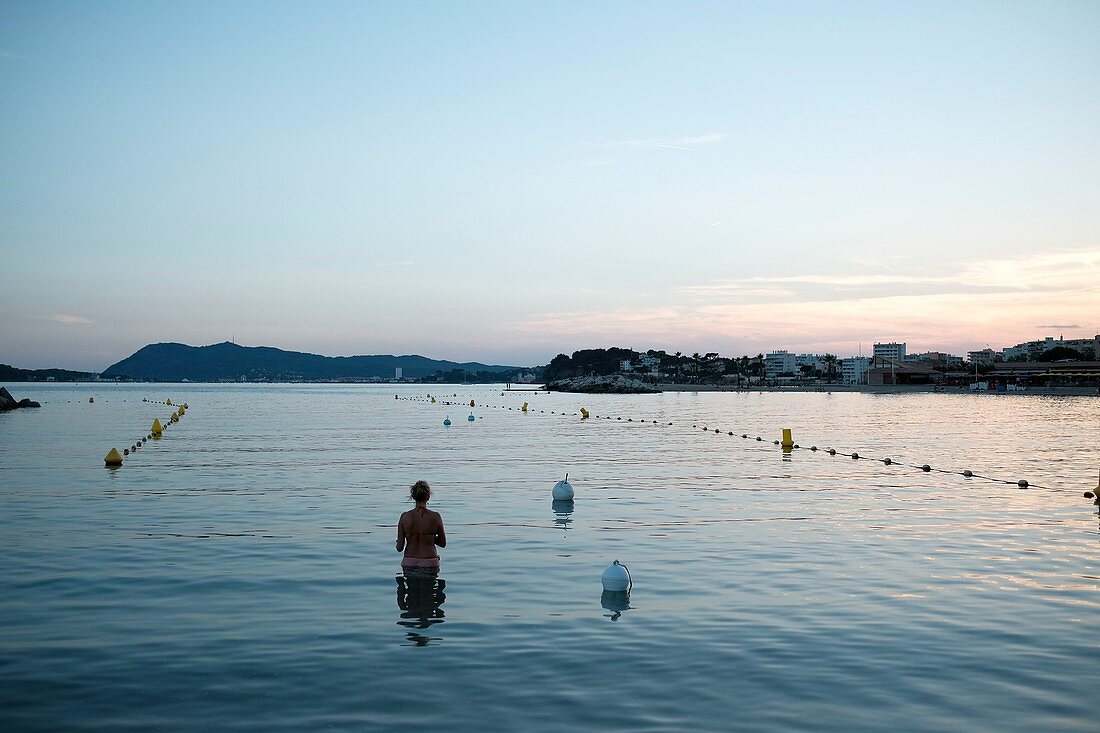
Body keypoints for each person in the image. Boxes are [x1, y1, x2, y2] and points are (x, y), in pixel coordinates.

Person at [396, 480, 446, 574]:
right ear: (428, 496)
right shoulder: (435, 517)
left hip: (409, 562)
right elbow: (443, 543)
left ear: (413, 497)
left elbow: (399, 548)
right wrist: (429, 537)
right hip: (430, 561)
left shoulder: (404, 517)